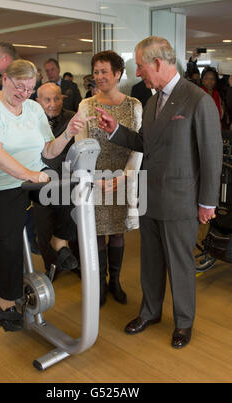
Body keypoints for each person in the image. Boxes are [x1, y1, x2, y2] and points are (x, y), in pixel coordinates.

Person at [96, 36, 223, 348]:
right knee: (150, 262)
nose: (138, 73)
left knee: (180, 265)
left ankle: (183, 323)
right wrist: (115, 129)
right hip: (149, 198)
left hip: (181, 201)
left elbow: (211, 154)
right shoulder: (152, 101)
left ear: (157, 63)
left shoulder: (197, 99)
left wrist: (208, 201)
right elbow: (145, 146)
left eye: (140, 66)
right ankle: (150, 311)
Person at [0, 59, 88, 332]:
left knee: (71, 187)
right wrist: (31, 175)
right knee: (9, 242)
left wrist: (68, 133)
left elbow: (48, 151)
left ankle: (59, 243)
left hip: (33, 175)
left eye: (30, 88)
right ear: (5, 80)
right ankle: (6, 301)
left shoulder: (34, 108)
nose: (24, 93)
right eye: (20, 86)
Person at [76, 50, 143, 307]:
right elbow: (81, 144)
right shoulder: (87, 105)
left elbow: (139, 144)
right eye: (96, 72)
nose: (99, 76)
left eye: (104, 71)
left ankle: (115, 281)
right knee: (96, 232)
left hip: (123, 177)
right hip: (94, 178)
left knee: (117, 232)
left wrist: (126, 176)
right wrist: (93, 178)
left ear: (117, 74)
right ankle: (101, 283)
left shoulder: (133, 105)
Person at [34, 82, 78, 278]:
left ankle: (76, 263)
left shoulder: (73, 118)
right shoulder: (31, 120)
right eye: (47, 100)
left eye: (57, 98)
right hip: (41, 181)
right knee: (44, 227)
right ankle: (51, 267)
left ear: (63, 98)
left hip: (69, 181)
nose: (53, 104)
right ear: (38, 102)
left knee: (74, 222)